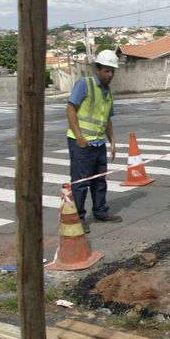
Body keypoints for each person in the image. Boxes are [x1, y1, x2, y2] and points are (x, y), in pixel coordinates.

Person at [66, 49, 122, 233]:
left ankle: (100, 211)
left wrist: (112, 141)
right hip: (81, 143)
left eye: (112, 71)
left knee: (99, 180)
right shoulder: (85, 84)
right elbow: (71, 109)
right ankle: (78, 217)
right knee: (81, 182)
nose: (110, 74)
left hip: (98, 143)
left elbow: (107, 120)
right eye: (107, 70)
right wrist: (80, 137)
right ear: (97, 69)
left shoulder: (107, 92)